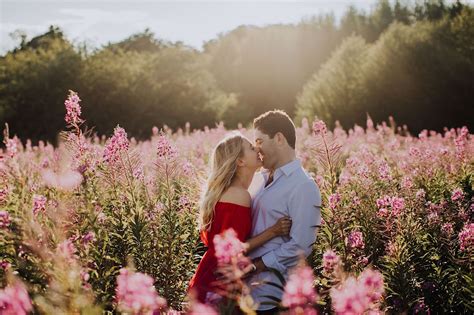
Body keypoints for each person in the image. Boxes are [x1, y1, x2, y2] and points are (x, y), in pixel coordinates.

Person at [188, 132, 292, 304]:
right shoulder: (239, 195)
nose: (257, 149)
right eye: (251, 148)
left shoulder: (232, 192)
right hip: (218, 281)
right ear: (240, 161)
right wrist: (274, 231)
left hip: (213, 274)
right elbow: (235, 249)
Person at [247, 110, 322, 314]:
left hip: (270, 297)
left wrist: (258, 265)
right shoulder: (257, 178)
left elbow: (301, 245)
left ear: (279, 138)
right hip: (242, 293)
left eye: (260, 141)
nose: (256, 148)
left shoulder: (303, 186)